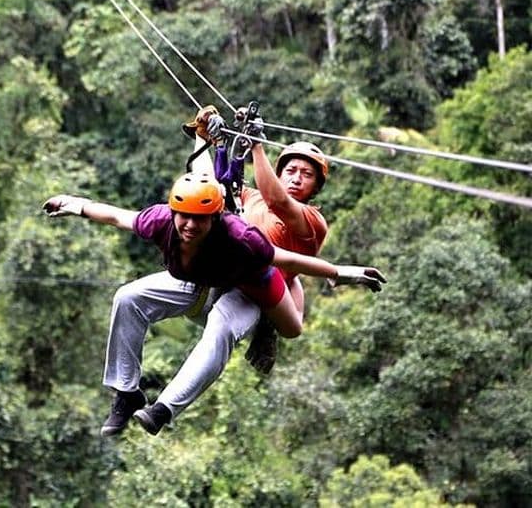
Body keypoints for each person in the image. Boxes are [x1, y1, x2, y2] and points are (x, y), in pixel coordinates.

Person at [43, 173, 385, 436]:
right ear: (174, 212)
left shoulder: (242, 239)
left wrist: (343, 273)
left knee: (220, 330)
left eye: (200, 219)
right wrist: (74, 204)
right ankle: (127, 393)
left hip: (245, 294)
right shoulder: (161, 221)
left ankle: (163, 410)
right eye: (184, 217)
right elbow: (117, 217)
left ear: (215, 218)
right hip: (195, 285)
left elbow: (289, 259)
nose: (190, 225)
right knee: (128, 297)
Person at [184, 106, 330, 373]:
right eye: (291, 170)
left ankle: (268, 321)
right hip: (221, 276)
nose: (297, 178)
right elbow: (213, 188)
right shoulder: (252, 196)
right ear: (280, 173)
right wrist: (207, 139)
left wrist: (257, 145)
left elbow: (278, 200)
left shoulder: (311, 220)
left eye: (306, 174)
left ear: (316, 188)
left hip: (252, 295)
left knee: (291, 325)